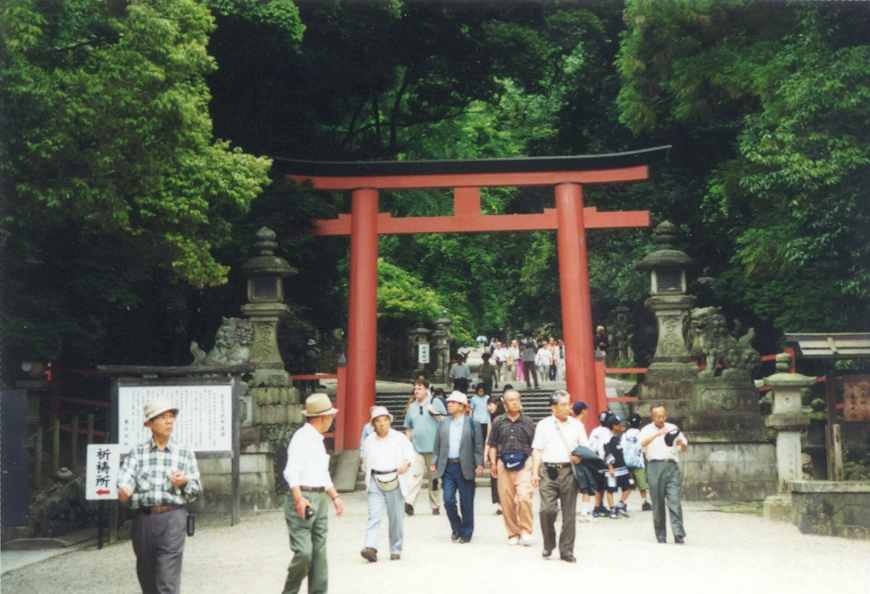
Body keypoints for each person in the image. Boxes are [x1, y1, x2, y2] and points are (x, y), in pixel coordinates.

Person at [117, 398, 202, 594]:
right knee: (147, 577)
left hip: (173, 517)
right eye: (162, 417)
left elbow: (196, 489)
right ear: (149, 423)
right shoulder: (137, 453)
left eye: (171, 417)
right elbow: (125, 479)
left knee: (167, 578)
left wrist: (185, 482)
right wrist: (124, 490)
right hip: (143, 519)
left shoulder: (184, 452)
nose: (169, 421)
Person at [281, 393, 345, 594]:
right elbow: (291, 471)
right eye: (330, 417)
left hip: (320, 497)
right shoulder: (302, 438)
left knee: (319, 553)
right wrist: (299, 499)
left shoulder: (317, 439)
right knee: (304, 553)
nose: (332, 420)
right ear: (322, 417)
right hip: (304, 497)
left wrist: (334, 496)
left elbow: (322, 473)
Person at [531, 390, 588, 562]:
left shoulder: (577, 425)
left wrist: (579, 457)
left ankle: (566, 550)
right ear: (553, 407)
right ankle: (549, 544)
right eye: (563, 404)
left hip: (569, 471)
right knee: (546, 510)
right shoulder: (543, 425)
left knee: (569, 513)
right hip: (548, 471)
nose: (568, 407)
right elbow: (537, 450)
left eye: (569, 403)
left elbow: (585, 448)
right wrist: (534, 472)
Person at [360, 406, 416, 563]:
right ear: (373, 423)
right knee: (374, 515)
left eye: (385, 420)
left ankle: (395, 548)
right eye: (378, 420)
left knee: (396, 517)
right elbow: (365, 460)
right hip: (375, 479)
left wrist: (406, 464)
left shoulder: (399, 437)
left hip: (395, 479)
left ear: (390, 421)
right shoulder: (369, 440)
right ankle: (370, 547)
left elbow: (410, 454)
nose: (382, 423)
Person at [431, 392, 484, 543]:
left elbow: (478, 446)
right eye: (449, 402)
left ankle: (466, 532)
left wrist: (479, 464)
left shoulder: (473, 423)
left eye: (453, 403)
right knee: (448, 500)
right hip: (447, 467)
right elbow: (437, 446)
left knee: (466, 502)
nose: (449, 405)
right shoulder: (443, 423)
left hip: (465, 466)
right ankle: (456, 527)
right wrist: (434, 462)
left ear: (462, 406)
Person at [487, 388, 536, 546]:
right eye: (511, 400)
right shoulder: (498, 421)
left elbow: (535, 447)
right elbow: (493, 444)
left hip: (525, 462)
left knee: (524, 497)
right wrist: (493, 463)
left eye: (517, 399)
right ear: (504, 403)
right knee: (506, 501)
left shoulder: (528, 421)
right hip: (503, 462)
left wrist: (535, 469)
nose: (515, 402)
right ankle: (513, 532)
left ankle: (526, 530)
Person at [639, 404, 689, 544]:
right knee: (658, 502)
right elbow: (641, 444)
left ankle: (678, 533)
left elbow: (684, 447)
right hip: (654, 466)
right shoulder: (646, 429)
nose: (661, 419)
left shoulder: (673, 428)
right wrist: (656, 434)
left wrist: (681, 443)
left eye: (663, 416)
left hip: (671, 466)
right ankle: (661, 534)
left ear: (666, 416)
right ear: (652, 417)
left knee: (675, 501)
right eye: (657, 416)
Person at [403, 379, 447, 516]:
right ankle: (409, 502)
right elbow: (409, 427)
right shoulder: (412, 407)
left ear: (427, 389)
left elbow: (445, 420)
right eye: (415, 389)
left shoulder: (436, 402)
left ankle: (435, 505)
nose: (417, 391)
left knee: (434, 479)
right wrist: (406, 445)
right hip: (417, 448)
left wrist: (435, 413)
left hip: (434, 449)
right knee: (415, 476)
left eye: (420, 388)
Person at [603, 415, 635, 518]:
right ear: (613, 426)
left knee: (630, 485)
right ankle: (612, 509)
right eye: (618, 424)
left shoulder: (617, 437)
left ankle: (620, 504)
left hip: (622, 468)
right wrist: (610, 467)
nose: (620, 425)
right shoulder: (607, 438)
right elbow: (607, 453)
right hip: (613, 468)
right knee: (611, 489)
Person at [622, 413, 652, 511]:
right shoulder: (641, 433)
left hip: (626, 462)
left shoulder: (624, 435)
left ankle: (623, 502)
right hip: (638, 462)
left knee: (628, 484)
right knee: (642, 484)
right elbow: (643, 446)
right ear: (640, 423)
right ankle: (644, 502)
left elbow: (621, 447)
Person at [570, 401, 594, 522]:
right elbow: (584, 445)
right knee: (585, 486)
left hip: (570, 458)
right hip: (580, 458)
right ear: (584, 411)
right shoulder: (578, 425)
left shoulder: (570, 423)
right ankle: (584, 512)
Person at [587, 410, 614, 518]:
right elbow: (605, 448)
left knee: (600, 485)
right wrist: (609, 464)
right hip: (601, 460)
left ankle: (600, 505)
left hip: (593, 459)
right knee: (600, 486)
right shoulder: (606, 432)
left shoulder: (595, 430)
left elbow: (591, 445)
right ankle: (597, 507)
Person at [486, 395, 506, 515]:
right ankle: (500, 504)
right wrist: (486, 453)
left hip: (503, 451)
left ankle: (504, 503)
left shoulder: (504, 418)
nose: (488, 407)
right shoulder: (492, 418)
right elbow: (489, 437)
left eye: (490, 404)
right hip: (494, 450)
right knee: (495, 479)